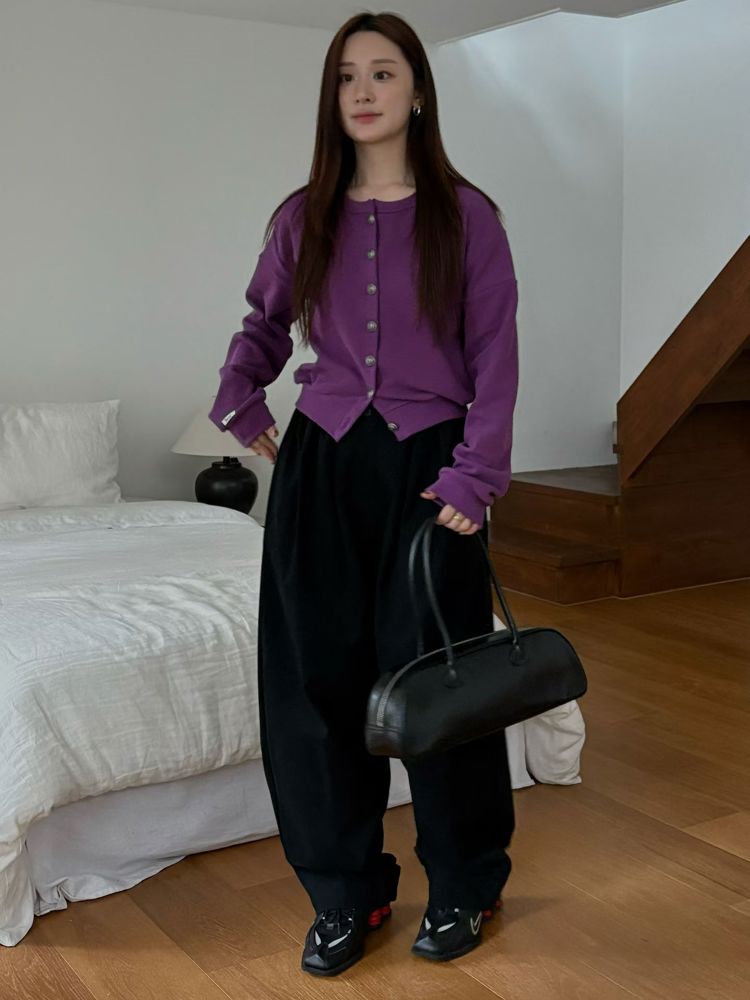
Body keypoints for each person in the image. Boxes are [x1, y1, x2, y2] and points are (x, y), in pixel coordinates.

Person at [209, 11, 519, 978]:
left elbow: (495, 350)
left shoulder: (468, 216)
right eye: (347, 76)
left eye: (383, 73)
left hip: (433, 470)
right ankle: (347, 893)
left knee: (442, 681)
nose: (363, 91)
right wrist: (237, 393)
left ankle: (465, 880)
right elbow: (263, 322)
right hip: (323, 461)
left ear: (417, 90)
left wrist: (478, 470)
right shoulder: (300, 217)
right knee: (313, 685)